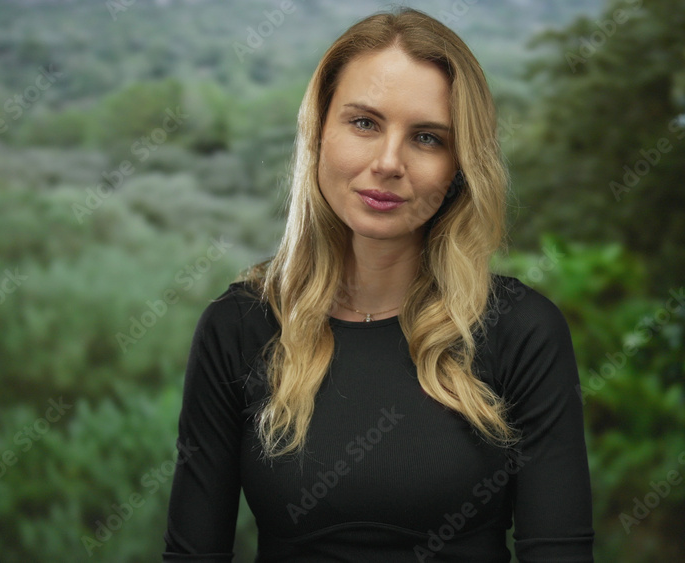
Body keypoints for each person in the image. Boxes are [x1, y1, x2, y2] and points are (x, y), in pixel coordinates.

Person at [162, 8, 593, 562]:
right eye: (364, 123)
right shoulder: (239, 326)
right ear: (318, 131)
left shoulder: (522, 331)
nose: (389, 163)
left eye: (427, 138)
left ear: (461, 165)